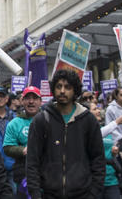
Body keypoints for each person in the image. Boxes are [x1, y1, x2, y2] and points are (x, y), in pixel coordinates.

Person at [26, 71, 104, 199]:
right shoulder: (41, 120)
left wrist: (94, 193)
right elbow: (32, 161)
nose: (62, 91)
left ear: (75, 91)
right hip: (49, 194)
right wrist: (35, 194)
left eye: (67, 87)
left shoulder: (88, 120)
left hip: (83, 194)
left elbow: (98, 159)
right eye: (58, 86)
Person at [4, 86, 42, 196]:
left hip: (46, 174)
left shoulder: (49, 120)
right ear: (22, 101)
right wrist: (23, 150)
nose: (31, 102)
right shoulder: (14, 123)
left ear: (40, 101)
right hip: (22, 174)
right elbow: (7, 147)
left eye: (34, 98)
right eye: (27, 98)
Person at [92, 100, 122, 199]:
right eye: (94, 109)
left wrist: (114, 152)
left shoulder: (106, 130)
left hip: (111, 179)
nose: (98, 110)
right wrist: (117, 122)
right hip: (95, 181)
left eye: (98, 108)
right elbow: (97, 135)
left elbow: (112, 152)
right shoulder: (87, 132)